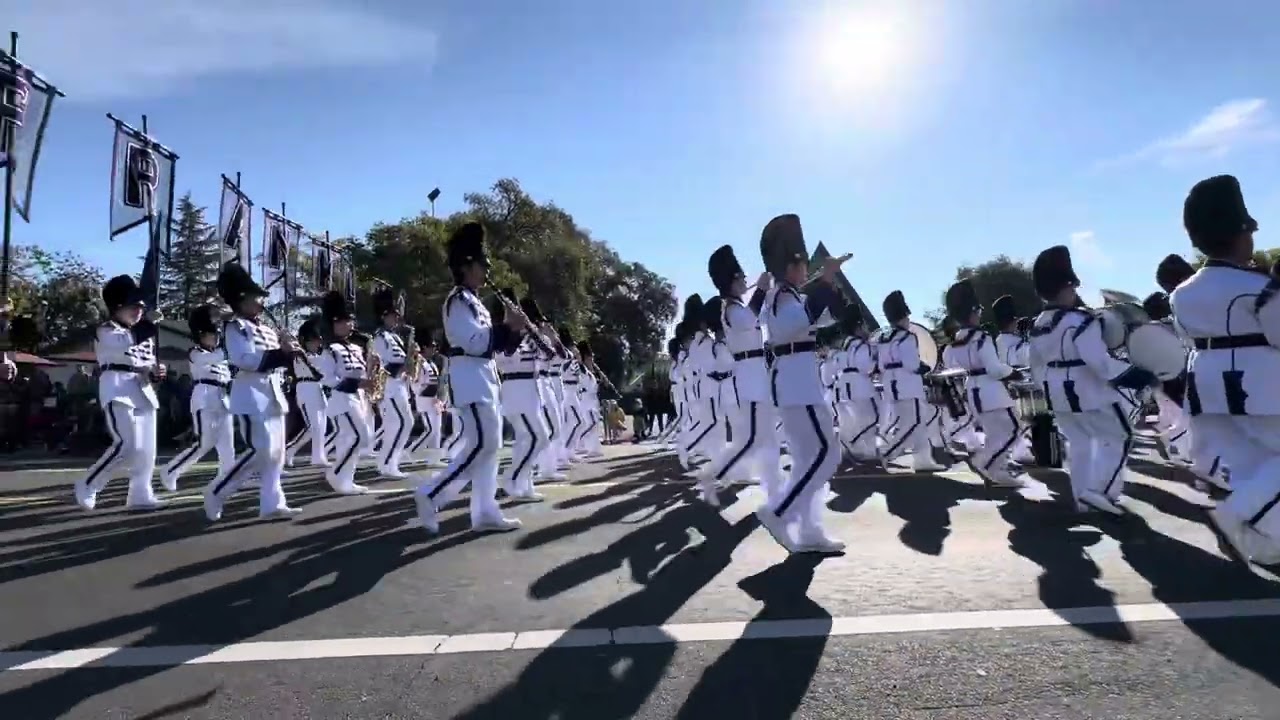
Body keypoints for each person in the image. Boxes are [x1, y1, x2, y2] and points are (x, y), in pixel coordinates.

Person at [1172, 174, 1280, 565]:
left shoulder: (1181, 292)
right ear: (1240, 233)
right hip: (1264, 387)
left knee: (1255, 470)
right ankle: (1232, 517)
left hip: (1206, 387)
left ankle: (1265, 549)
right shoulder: (1260, 286)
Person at [414, 222, 526, 534]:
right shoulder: (457, 301)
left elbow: (495, 347)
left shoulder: (475, 302)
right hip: (470, 379)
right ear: (467, 266)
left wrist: (514, 331)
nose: (487, 269)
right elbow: (474, 341)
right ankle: (431, 494)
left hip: (485, 377)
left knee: (490, 447)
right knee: (482, 445)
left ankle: (485, 510)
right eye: (482, 264)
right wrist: (507, 329)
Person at [1027, 245, 1156, 515]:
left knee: (1079, 443)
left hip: (1056, 393)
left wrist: (1049, 391)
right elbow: (1098, 361)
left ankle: (1083, 498)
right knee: (1120, 435)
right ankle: (1100, 495)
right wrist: (1136, 375)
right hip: (1089, 391)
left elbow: (1035, 366)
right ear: (1066, 286)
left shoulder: (1038, 323)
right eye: (1073, 288)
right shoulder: (1080, 320)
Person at [755, 213, 848, 554]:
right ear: (791, 266)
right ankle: (779, 512)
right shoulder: (782, 298)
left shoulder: (793, 296)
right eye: (803, 263)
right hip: (798, 385)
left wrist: (831, 283)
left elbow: (830, 315)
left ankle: (809, 529)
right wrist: (825, 280)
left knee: (809, 458)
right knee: (826, 453)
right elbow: (802, 322)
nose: (807, 268)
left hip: (799, 383)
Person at [202, 262, 302, 522]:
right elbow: (244, 359)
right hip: (250, 395)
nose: (261, 302)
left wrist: (291, 353)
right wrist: (281, 354)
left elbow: (278, 361)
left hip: (273, 393)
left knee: (276, 453)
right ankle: (217, 491)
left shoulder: (267, 329)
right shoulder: (235, 327)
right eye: (255, 297)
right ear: (241, 300)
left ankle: (272, 504)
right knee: (262, 451)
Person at [74, 274, 165, 511]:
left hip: (143, 389)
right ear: (117, 306)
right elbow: (124, 342)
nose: (139, 309)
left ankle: (141, 493)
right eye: (133, 304)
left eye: (141, 306)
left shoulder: (145, 335)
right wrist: (149, 325)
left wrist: (156, 372)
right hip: (117, 386)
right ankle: (89, 484)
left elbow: (146, 362)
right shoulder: (106, 330)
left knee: (146, 449)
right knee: (127, 444)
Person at [943, 280, 1025, 488]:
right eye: (978, 310)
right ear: (973, 312)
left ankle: (998, 471)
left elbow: (950, 366)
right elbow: (995, 369)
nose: (980, 314)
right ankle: (985, 461)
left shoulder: (955, 342)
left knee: (994, 433)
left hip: (972, 391)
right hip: (991, 391)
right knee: (1015, 428)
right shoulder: (982, 338)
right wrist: (1013, 373)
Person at [161, 304, 234, 491]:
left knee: (227, 444)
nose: (215, 338)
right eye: (211, 334)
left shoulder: (221, 356)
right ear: (200, 336)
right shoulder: (195, 353)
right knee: (205, 443)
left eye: (217, 335)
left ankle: (228, 478)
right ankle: (171, 471)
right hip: (205, 398)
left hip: (223, 399)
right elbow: (215, 357)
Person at [876, 291, 945, 472]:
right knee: (912, 424)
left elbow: (882, 365)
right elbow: (911, 363)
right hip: (908, 386)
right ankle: (885, 453)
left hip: (892, 385)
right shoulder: (907, 337)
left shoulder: (883, 338)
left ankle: (924, 459)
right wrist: (923, 367)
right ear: (903, 316)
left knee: (920, 423)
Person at [495, 289, 550, 501]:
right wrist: (517, 332)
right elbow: (505, 358)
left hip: (531, 392)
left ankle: (526, 487)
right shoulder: (502, 335)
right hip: (516, 391)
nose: (514, 313)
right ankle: (511, 479)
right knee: (540, 438)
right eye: (510, 310)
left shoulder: (530, 335)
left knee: (527, 441)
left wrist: (535, 331)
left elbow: (549, 355)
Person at [321, 290, 374, 495]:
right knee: (363, 437)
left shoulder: (356, 348)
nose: (349, 325)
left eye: (349, 321)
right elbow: (329, 379)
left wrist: (371, 369)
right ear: (334, 325)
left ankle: (346, 481)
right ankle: (335, 473)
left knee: (349, 440)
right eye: (343, 322)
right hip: (343, 400)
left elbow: (362, 373)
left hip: (358, 398)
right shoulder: (331, 350)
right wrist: (357, 384)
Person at [371, 288, 413, 478]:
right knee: (403, 423)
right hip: (389, 385)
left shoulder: (394, 337)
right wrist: (403, 366)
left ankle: (387, 462)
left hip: (400, 385)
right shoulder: (380, 337)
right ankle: (389, 463)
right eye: (393, 315)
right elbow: (380, 364)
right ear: (384, 316)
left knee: (399, 424)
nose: (397, 318)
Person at [835, 304, 880, 463]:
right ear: (858, 325)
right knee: (870, 417)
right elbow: (866, 367)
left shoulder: (842, 346)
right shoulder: (861, 345)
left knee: (848, 420)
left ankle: (846, 448)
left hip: (843, 385)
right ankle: (865, 451)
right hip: (860, 385)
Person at [284, 318, 331, 468]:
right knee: (313, 426)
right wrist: (296, 348)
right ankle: (288, 449)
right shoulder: (298, 355)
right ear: (306, 341)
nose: (317, 343)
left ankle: (318, 456)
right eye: (313, 340)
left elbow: (321, 371)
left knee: (321, 426)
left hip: (318, 388)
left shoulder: (316, 356)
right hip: (305, 387)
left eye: (318, 340)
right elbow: (309, 367)